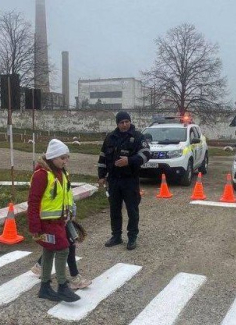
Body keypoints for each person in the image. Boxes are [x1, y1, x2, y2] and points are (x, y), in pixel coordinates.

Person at [27, 139, 80, 303]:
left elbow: (65, 196)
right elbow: (33, 201)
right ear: (53, 157)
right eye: (62, 158)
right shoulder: (42, 175)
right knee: (63, 248)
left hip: (59, 221)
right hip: (46, 223)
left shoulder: (61, 173)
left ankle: (45, 287)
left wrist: (70, 212)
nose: (65, 161)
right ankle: (63, 286)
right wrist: (35, 226)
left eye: (67, 158)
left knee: (49, 250)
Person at [97, 111, 151, 250]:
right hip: (113, 180)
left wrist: (129, 161)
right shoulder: (110, 138)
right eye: (121, 122)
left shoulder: (137, 136)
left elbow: (146, 154)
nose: (124, 124)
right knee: (114, 209)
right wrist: (102, 175)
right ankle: (116, 236)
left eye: (127, 121)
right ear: (117, 124)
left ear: (130, 122)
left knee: (132, 210)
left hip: (130, 180)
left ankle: (132, 237)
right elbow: (102, 158)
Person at [31, 202, 92, 290]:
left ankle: (39, 266)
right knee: (67, 245)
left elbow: (69, 196)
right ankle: (74, 277)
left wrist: (71, 212)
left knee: (57, 245)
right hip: (54, 218)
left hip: (62, 217)